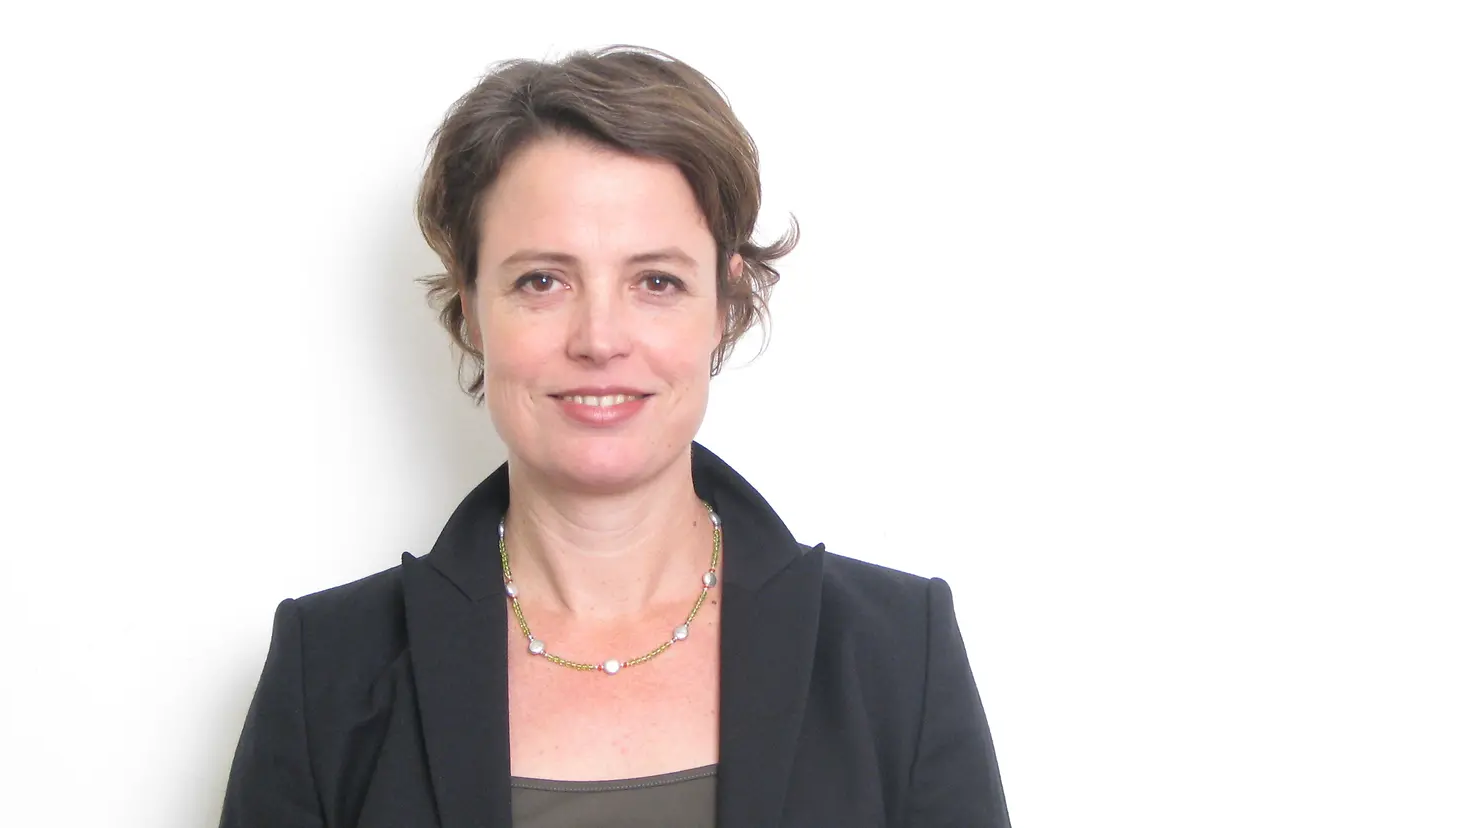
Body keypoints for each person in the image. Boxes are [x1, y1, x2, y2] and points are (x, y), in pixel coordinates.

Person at [219, 45, 1009, 828]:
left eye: (656, 281)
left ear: (724, 305)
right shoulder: (326, 674)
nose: (599, 338)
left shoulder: (899, 657)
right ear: (471, 307)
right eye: (542, 280)